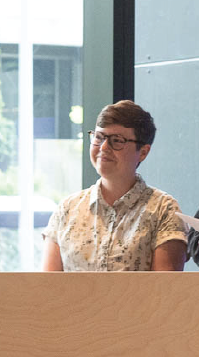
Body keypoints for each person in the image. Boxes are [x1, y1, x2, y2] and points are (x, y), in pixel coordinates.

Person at [42, 100, 186, 272]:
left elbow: (165, 293)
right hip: (71, 301)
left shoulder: (163, 209)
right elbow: (47, 290)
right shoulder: (67, 209)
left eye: (117, 141)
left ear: (143, 152)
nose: (103, 147)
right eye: (99, 137)